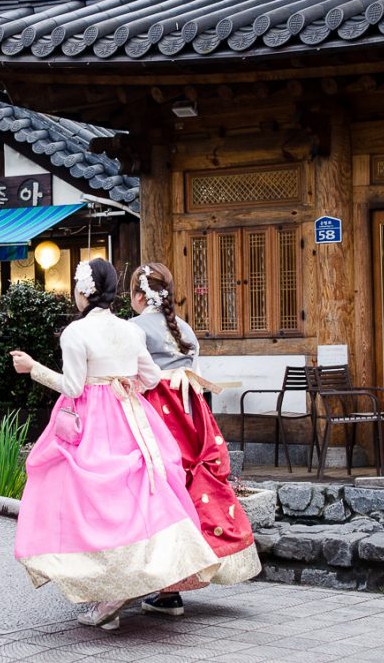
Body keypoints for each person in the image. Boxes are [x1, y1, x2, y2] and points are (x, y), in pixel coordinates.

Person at [9, 258, 220, 631]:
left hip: (92, 421)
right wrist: (122, 386)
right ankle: (128, 582)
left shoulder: (75, 333)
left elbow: (73, 387)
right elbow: (152, 377)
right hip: (132, 417)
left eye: (76, 287)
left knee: (86, 502)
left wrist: (33, 369)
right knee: (132, 499)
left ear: (86, 292)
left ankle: (105, 595)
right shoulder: (129, 330)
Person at [128, 263, 260, 617]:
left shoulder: (134, 329)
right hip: (192, 412)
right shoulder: (184, 328)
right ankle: (179, 583)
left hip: (157, 412)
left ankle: (158, 583)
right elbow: (196, 374)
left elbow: (131, 376)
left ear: (139, 296)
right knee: (192, 487)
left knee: (157, 492)